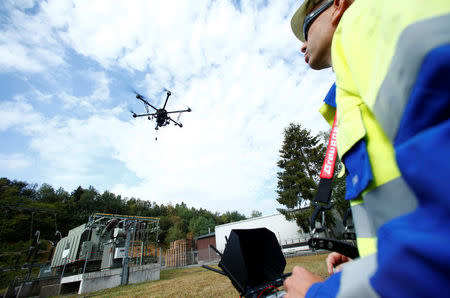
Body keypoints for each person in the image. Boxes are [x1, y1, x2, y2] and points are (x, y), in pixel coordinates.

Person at [284, 0, 450, 297]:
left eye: (306, 27)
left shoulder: (366, 21)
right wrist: (367, 260)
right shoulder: (353, 72)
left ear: (337, 6)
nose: (302, 45)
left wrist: (322, 294)